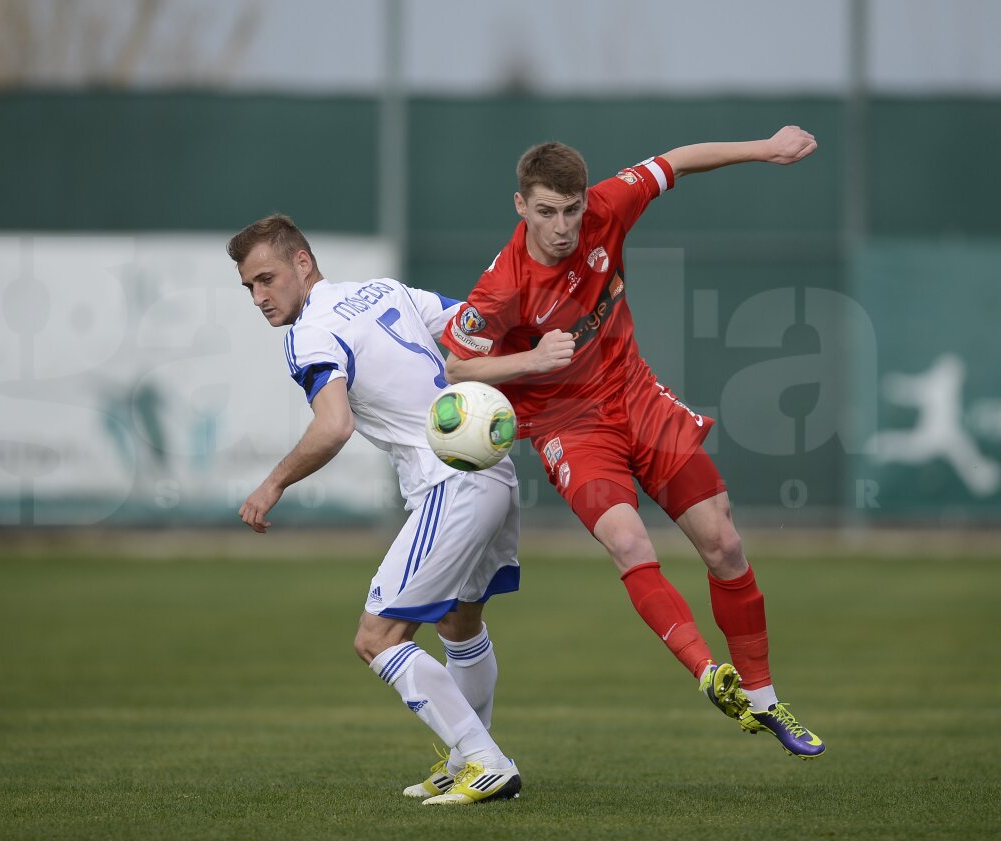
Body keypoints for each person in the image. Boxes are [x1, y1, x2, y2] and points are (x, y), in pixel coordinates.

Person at [440, 126, 825, 759]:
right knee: (628, 541)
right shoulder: (504, 284)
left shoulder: (608, 205)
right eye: (546, 212)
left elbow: (677, 161)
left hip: (637, 397)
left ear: (584, 200)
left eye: (571, 210)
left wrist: (763, 149)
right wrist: (532, 360)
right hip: (570, 427)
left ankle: (763, 699)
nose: (562, 227)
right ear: (520, 206)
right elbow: (456, 365)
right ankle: (709, 673)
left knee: (724, 542)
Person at [228, 214, 524, 803]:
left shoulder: (309, 332)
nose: (259, 297)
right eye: (249, 287)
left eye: (266, 279)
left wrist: (272, 484)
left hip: (449, 483)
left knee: (377, 638)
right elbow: (474, 325)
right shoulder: (383, 290)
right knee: (459, 624)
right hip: (493, 467)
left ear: (302, 263)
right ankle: (467, 758)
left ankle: (485, 762)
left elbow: (333, 426)